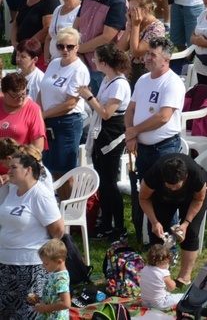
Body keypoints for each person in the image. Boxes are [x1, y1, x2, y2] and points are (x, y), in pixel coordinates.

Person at [0, 150, 64, 318]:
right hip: (6, 263)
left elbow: (58, 229)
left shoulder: (39, 194)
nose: (8, 171)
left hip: (30, 267)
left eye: (14, 167)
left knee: (29, 314)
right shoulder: (13, 190)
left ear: (28, 170)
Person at [77, 44, 131, 242]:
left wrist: (89, 97)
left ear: (104, 62)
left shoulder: (119, 84)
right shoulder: (109, 79)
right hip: (102, 135)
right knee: (103, 182)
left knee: (110, 183)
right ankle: (106, 223)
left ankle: (119, 227)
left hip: (112, 135)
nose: (93, 61)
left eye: (96, 59)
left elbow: (106, 113)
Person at [140, 153, 207, 287]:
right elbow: (143, 198)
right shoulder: (154, 174)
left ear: (186, 177)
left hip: (191, 199)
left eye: (176, 186)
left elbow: (199, 199)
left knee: (191, 232)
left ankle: (184, 277)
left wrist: (186, 223)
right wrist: (155, 222)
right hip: (162, 199)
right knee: (157, 233)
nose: (172, 189)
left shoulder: (196, 176)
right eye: (169, 185)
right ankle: (158, 275)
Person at [125, 37, 185, 178]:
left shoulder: (173, 83)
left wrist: (135, 130)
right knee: (145, 190)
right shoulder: (143, 79)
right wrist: (130, 134)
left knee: (163, 192)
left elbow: (163, 117)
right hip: (142, 148)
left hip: (163, 148)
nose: (148, 58)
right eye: (147, 53)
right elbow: (130, 110)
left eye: (153, 55)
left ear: (166, 60)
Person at [39, 28, 89, 190]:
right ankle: (60, 205)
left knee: (66, 172)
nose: (65, 50)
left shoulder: (79, 69)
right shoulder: (54, 63)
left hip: (67, 123)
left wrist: (43, 115)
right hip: (48, 121)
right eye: (61, 46)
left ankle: (71, 209)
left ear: (77, 47)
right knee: (52, 169)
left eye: (70, 46)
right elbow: (42, 90)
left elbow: (70, 104)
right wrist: (39, 113)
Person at [73, 0, 128, 94]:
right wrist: (74, 46)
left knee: (99, 104)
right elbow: (77, 23)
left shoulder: (118, 2)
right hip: (82, 60)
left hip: (103, 65)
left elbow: (106, 38)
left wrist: (78, 49)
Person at [12, 0, 59, 69]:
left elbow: (47, 29)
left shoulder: (50, 1)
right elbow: (16, 22)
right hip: (21, 50)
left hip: (37, 54)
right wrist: (14, 42)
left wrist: (27, 46)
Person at [118, 0, 165, 87]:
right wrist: (130, 26)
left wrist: (135, 25)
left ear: (146, 9)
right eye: (129, 9)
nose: (130, 13)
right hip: (131, 70)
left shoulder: (157, 28)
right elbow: (120, 48)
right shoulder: (134, 22)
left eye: (134, 10)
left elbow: (136, 52)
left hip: (147, 72)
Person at [0, 73, 46, 151]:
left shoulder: (32, 109)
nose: (21, 98)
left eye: (23, 94)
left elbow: (37, 146)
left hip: (19, 161)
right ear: (4, 93)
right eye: (16, 96)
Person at [45, 0, 81, 65]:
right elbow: (49, 37)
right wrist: (46, 58)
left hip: (70, 63)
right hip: (54, 62)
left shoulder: (81, 10)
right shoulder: (58, 9)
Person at [33, 239, 70, 319]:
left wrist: (45, 308)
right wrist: (38, 300)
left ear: (59, 262)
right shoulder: (54, 272)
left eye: (46, 264)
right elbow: (52, 295)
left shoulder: (61, 279)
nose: (43, 266)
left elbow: (66, 303)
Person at [140, 244, 182, 309]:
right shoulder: (163, 273)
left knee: (166, 293)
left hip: (145, 302)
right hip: (159, 304)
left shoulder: (144, 269)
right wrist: (173, 283)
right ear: (165, 261)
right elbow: (171, 288)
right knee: (181, 296)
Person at [16, 39, 44, 103]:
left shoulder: (40, 79)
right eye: (17, 55)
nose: (18, 59)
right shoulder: (16, 74)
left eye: (23, 57)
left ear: (34, 59)